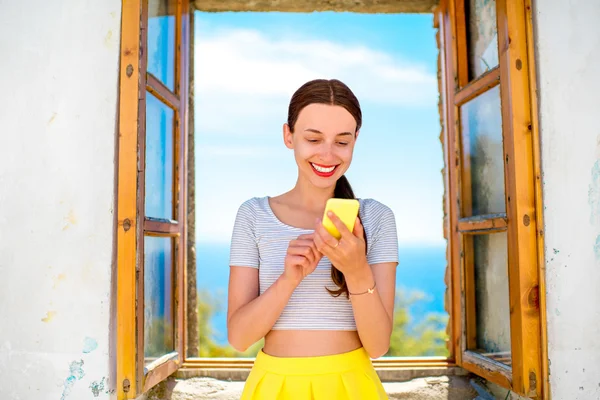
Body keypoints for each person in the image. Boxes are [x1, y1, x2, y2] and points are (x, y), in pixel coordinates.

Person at [227, 78, 399, 399]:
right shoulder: (253, 215)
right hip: (274, 388)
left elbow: (377, 346)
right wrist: (289, 279)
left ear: (355, 141)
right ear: (288, 136)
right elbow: (239, 337)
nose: (327, 154)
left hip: (352, 387)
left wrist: (356, 268)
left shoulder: (376, 218)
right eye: (313, 139)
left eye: (342, 142)